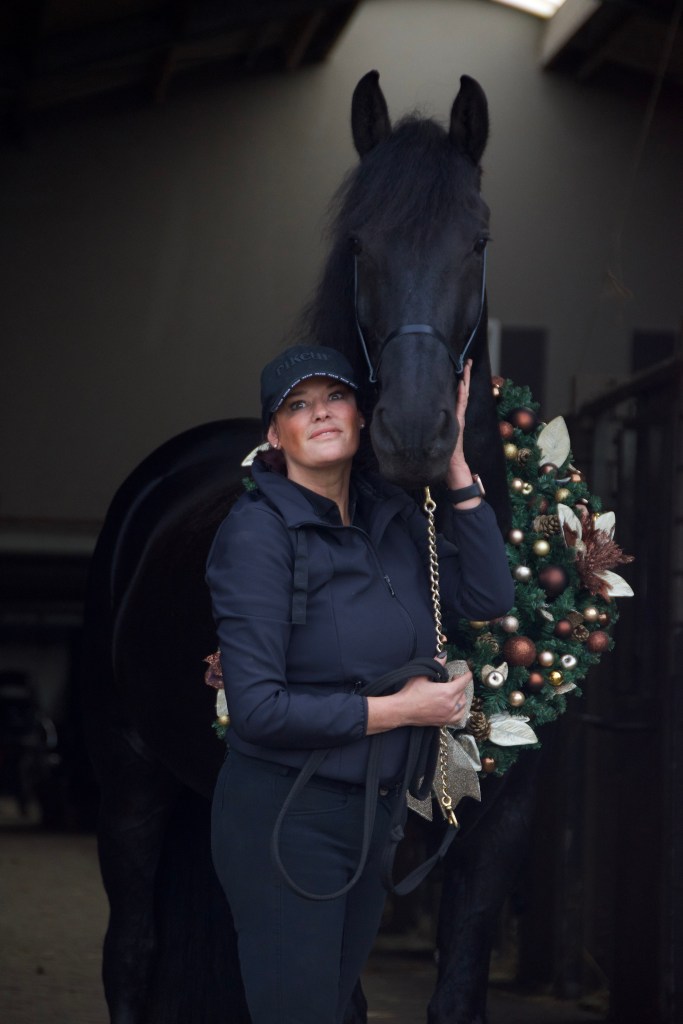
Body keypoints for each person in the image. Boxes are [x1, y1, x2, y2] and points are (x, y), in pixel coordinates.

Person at [207, 344, 514, 1024]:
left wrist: (455, 465)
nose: (319, 413)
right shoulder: (258, 534)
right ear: (274, 434)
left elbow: (489, 597)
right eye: (297, 405)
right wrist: (400, 710)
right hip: (286, 814)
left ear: (362, 416)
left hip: (373, 816)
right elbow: (258, 711)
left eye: (335, 397)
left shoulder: (392, 520)